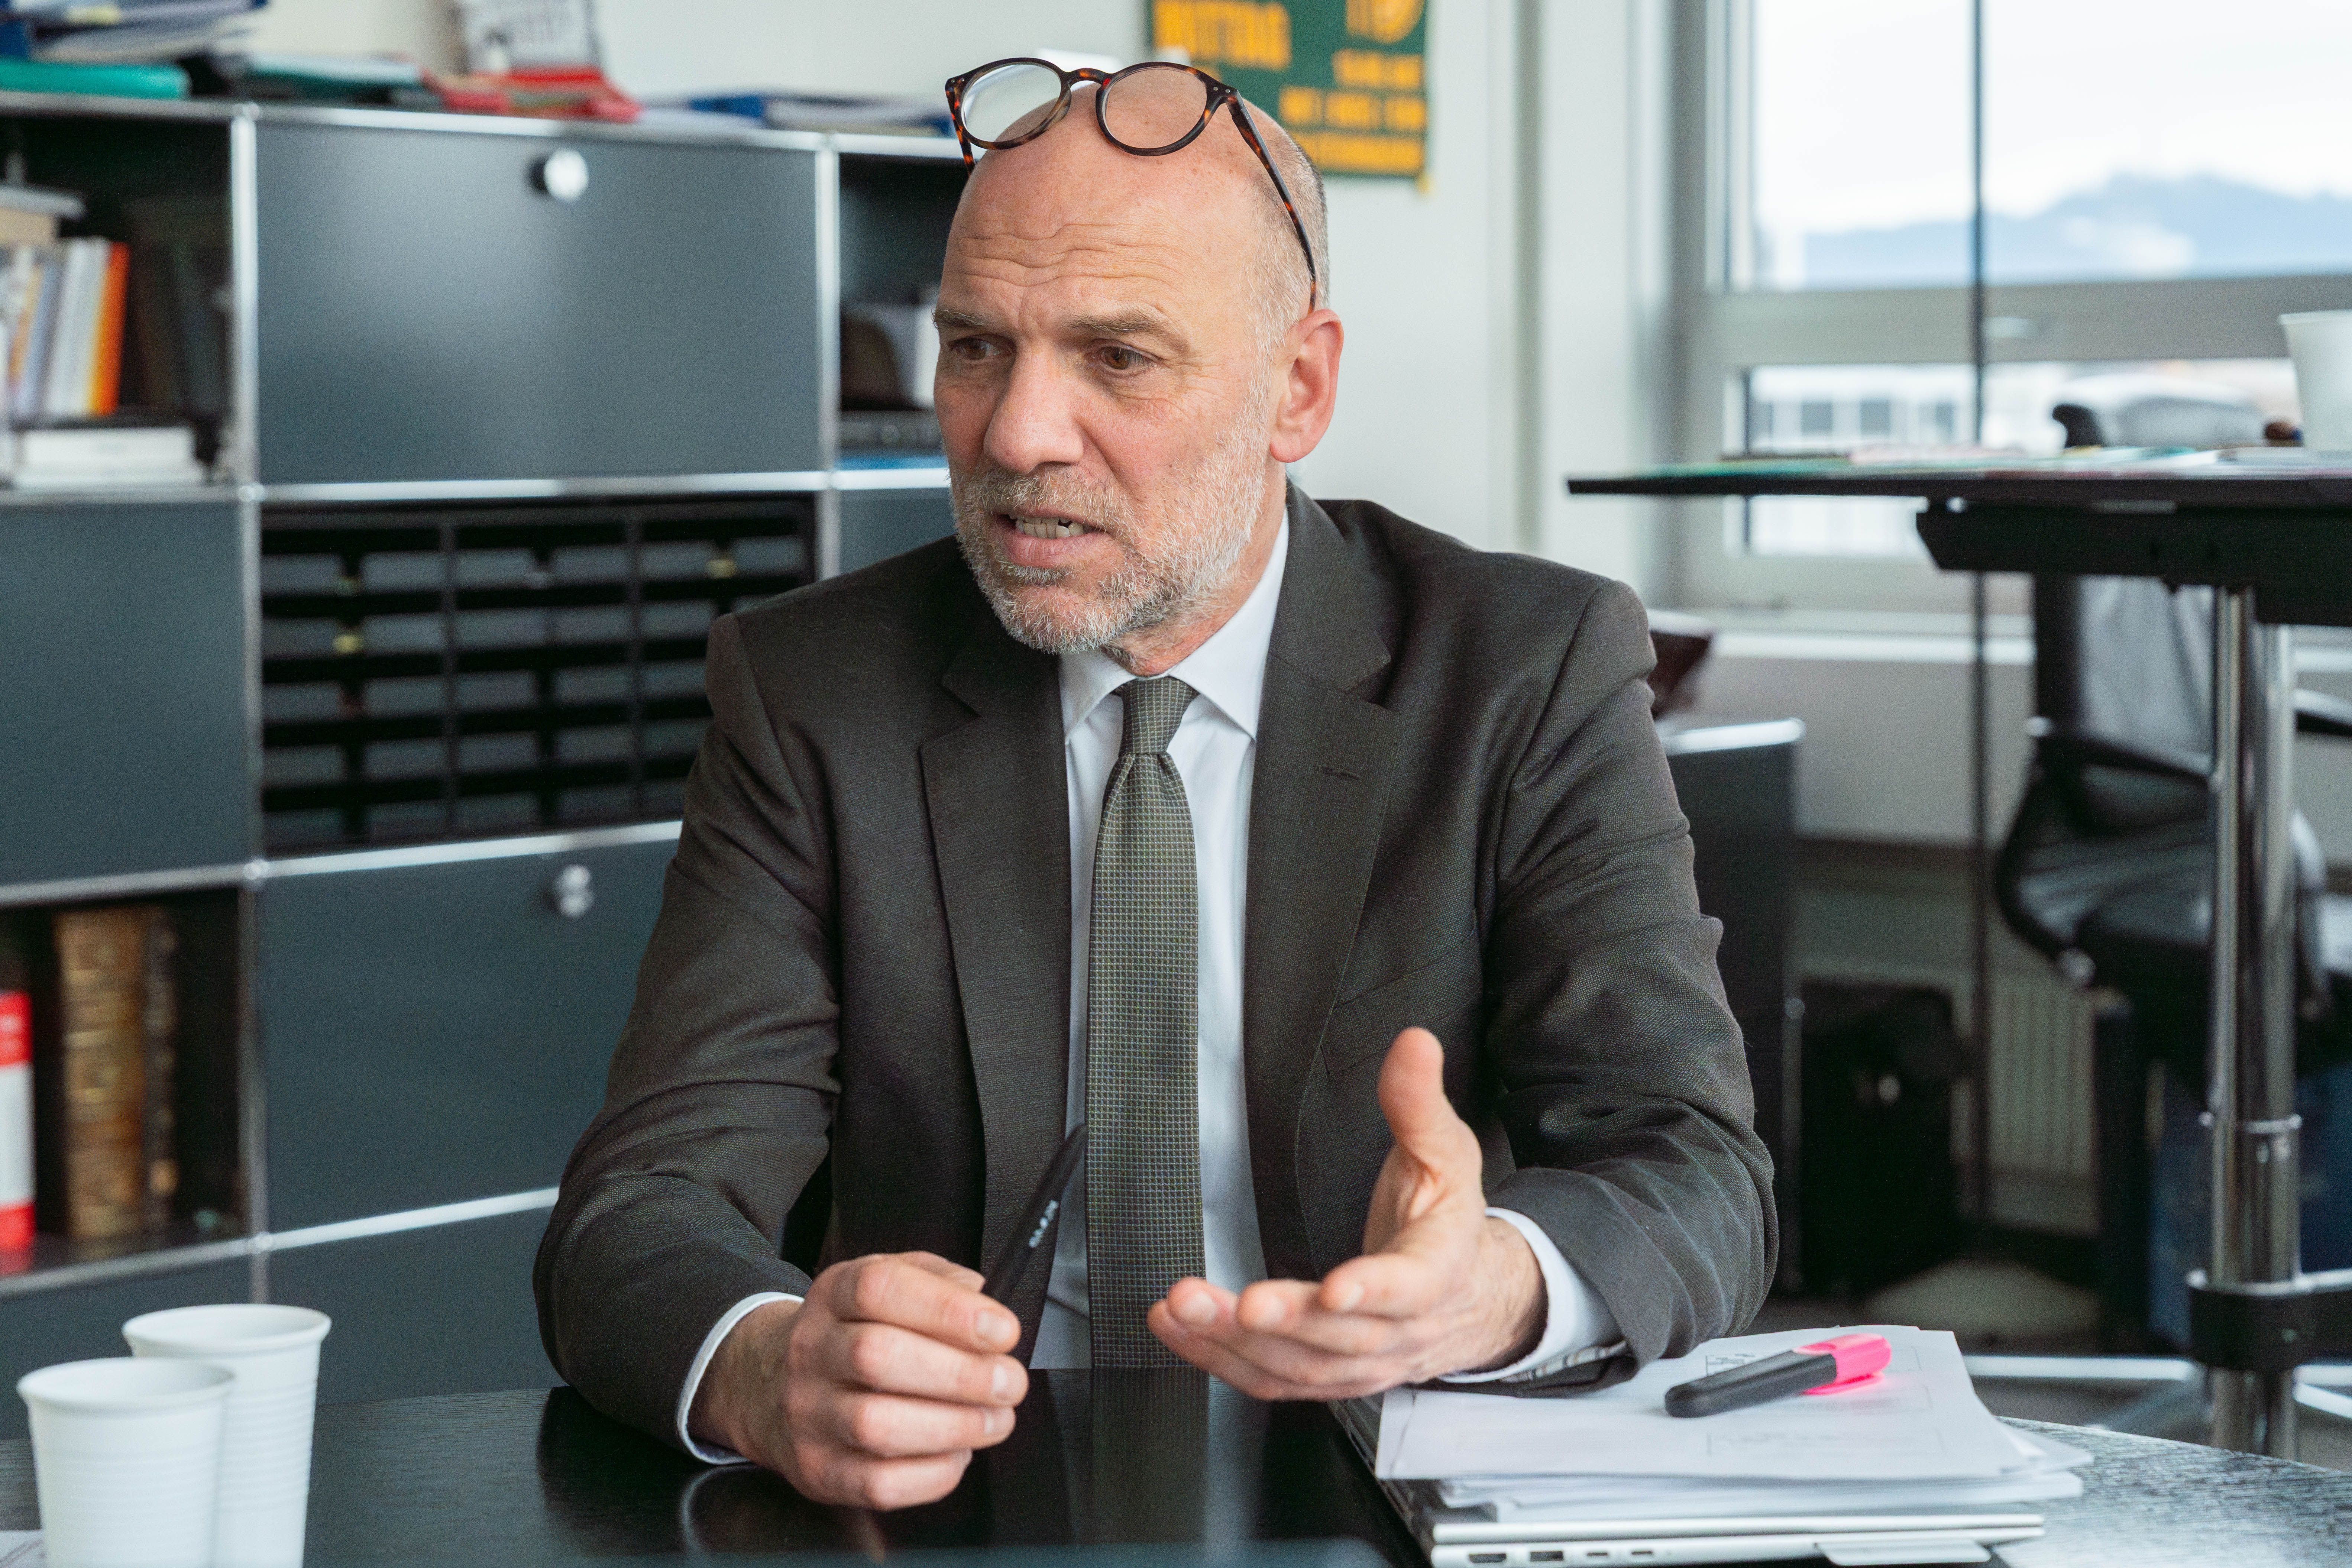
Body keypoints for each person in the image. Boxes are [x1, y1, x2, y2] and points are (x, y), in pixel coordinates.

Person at [534, 61, 1772, 1513]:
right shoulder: (815, 690)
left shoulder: (1521, 668)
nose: (1016, 435)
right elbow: (642, 1204)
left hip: (1374, 1484)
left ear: (1295, 387)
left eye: (1117, 357)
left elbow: (1690, 1164)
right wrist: (764, 1362)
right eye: (975, 346)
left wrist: (1489, 1287)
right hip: (957, 1506)